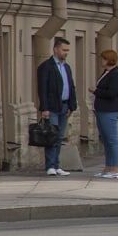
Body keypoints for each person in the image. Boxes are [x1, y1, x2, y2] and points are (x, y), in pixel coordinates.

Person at [36, 37, 77, 176]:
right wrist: (44, 108)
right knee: (51, 136)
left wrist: (72, 105)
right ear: (55, 49)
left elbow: (71, 86)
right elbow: (42, 89)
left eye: (67, 50)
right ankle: (50, 166)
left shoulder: (66, 67)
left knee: (59, 137)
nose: (66, 53)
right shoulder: (46, 67)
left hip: (64, 106)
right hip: (52, 107)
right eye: (64, 50)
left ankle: (57, 165)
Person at [90, 49, 118, 179]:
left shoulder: (115, 75)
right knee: (106, 140)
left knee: (112, 140)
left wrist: (95, 91)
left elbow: (111, 93)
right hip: (101, 110)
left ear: (109, 60)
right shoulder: (106, 72)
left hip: (109, 111)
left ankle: (115, 168)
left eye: (103, 59)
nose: (101, 61)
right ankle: (108, 167)